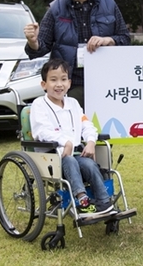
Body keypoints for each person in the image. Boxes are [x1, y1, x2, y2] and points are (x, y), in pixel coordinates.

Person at [24, 0, 131, 108]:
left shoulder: (109, 4)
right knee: (74, 129)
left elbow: (125, 39)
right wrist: (33, 42)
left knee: (108, 130)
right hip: (72, 85)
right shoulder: (56, 8)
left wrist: (108, 40)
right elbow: (40, 49)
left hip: (107, 82)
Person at [30, 58, 115, 218]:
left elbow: (86, 125)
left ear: (69, 83)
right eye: (53, 80)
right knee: (68, 160)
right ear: (44, 84)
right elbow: (41, 131)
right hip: (51, 158)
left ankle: (104, 202)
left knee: (89, 164)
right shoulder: (38, 105)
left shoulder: (73, 104)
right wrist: (65, 142)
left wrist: (90, 141)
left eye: (63, 79)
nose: (59, 84)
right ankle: (81, 200)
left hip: (76, 155)